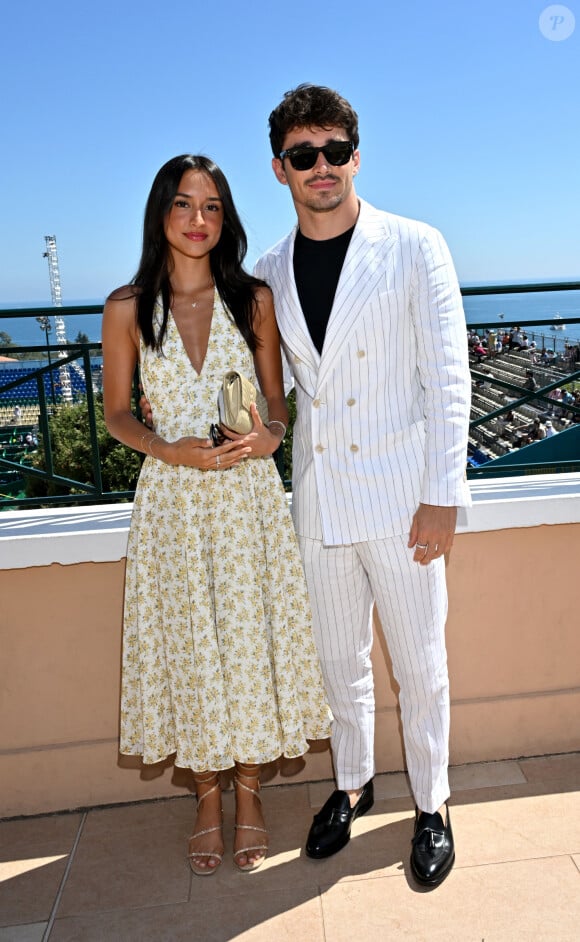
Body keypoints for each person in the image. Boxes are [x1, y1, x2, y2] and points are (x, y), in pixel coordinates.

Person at [254, 83, 472, 888]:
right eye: (304, 155)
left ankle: (434, 803)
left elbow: (449, 379)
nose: (323, 167)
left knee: (420, 663)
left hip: (404, 497)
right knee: (338, 663)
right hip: (319, 498)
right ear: (280, 169)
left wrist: (443, 494)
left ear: (356, 154)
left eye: (335, 151)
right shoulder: (266, 272)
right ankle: (352, 784)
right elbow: (265, 390)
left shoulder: (416, 245)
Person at [102, 154, 331, 877]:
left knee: (246, 642)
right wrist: (168, 449)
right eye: (183, 204)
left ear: (225, 217)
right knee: (192, 647)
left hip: (245, 503)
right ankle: (207, 799)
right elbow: (114, 415)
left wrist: (268, 435)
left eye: (211, 206)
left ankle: (253, 796)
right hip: (172, 503)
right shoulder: (125, 307)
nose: (198, 219)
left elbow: (277, 402)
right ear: (160, 214)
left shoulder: (253, 299)